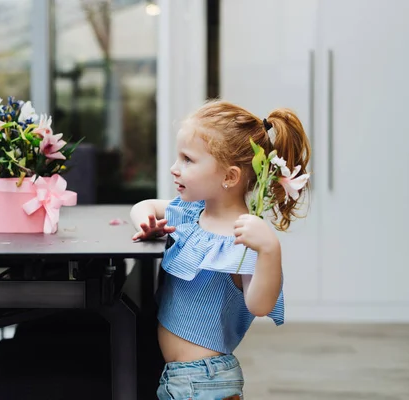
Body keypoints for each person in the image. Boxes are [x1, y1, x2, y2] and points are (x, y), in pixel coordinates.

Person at [130, 99, 310, 399]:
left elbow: (260, 305)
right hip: (179, 380)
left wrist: (269, 250)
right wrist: (146, 223)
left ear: (229, 177)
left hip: (205, 384)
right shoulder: (192, 213)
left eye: (188, 159)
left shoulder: (242, 238)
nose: (175, 169)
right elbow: (143, 206)